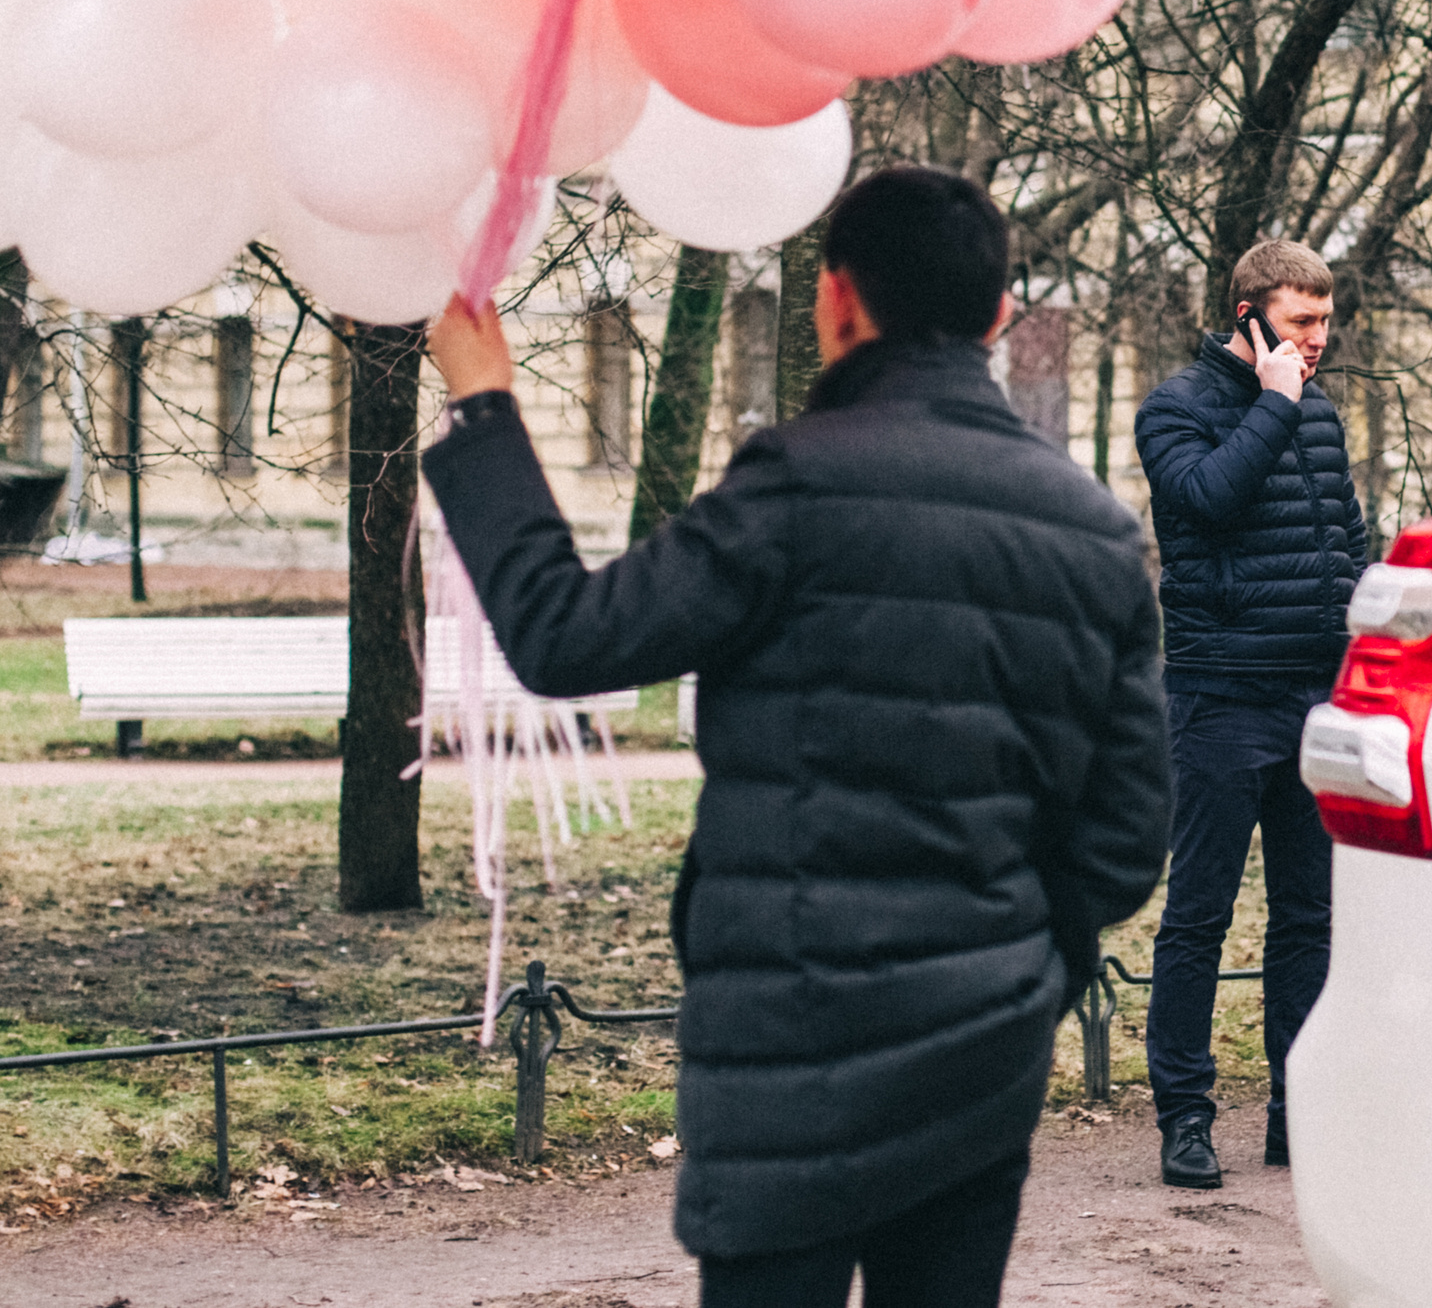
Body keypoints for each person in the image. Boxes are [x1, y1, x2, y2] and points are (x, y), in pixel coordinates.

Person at [420, 167, 1170, 1308]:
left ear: (834, 302)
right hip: (981, 1053)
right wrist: (1031, 969)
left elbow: (565, 637)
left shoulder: (789, 487)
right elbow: (1126, 836)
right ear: (999, 318)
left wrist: (483, 403)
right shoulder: (1098, 533)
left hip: (785, 1048)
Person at [1132, 238, 1366, 1189]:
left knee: (1308, 918)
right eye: (1302, 321)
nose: (1318, 339)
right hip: (1221, 694)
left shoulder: (1321, 415)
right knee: (1199, 915)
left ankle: (1294, 1110)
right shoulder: (1174, 408)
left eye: (1325, 320)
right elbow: (1206, 500)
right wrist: (1274, 401)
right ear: (1249, 316)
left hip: (1313, 694)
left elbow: (1344, 534)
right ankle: (1185, 1116)